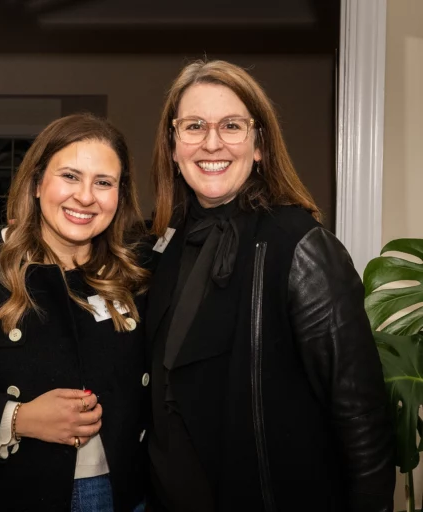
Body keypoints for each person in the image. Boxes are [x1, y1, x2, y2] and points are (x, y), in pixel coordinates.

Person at [145, 59, 395, 512]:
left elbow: (361, 415)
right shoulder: (165, 245)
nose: (212, 143)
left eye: (232, 126)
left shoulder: (300, 247)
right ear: (173, 145)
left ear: (259, 145)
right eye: (194, 126)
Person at [0, 113, 151, 512]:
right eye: (70, 176)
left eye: (103, 183)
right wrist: (18, 418)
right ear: (37, 183)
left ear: (120, 195)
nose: (86, 196)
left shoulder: (137, 272)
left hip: (116, 494)